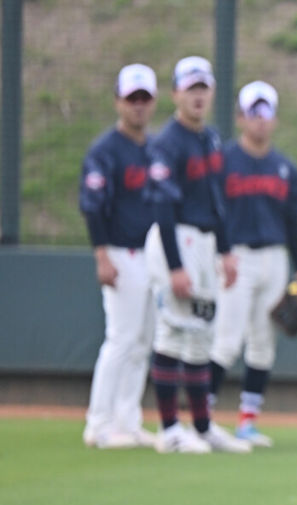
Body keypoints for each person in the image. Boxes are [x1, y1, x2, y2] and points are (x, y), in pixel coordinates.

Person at [143, 56, 249, 454]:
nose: (198, 96)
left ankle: (202, 427)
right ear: (175, 95)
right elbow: (163, 207)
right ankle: (170, 430)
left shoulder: (211, 138)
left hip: (205, 244)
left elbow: (216, 199)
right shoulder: (168, 142)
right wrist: (174, 266)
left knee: (202, 334)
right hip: (178, 240)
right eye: (191, 88)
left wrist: (225, 251)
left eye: (203, 87)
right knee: (172, 331)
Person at [207, 81, 297, 448]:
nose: (261, 121)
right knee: (227, 340)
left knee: (263, 343)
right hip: (237, 257)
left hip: (275, 258)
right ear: (240, 118)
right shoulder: (224, 160)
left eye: (267, 113)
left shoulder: (284, 167)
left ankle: (247, 422)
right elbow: (213, 212)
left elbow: (294, 222)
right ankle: (203, 419)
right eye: (254, 113)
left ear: (275, 119)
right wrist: (219, 252)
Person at [79, 64, 159, 450]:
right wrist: (101, 255)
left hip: (152, 254)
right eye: (132, 99)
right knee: (121, 339)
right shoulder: (105, 150)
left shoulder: (154, 149)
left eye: (144, 99)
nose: (138, 107)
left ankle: (128, 419)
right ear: (118, 101)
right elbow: (92, 206)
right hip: (120, 251)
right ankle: (99, 422)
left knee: (143, 341)